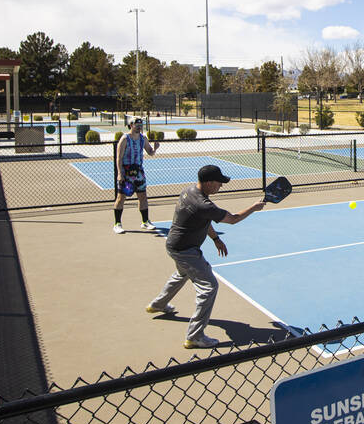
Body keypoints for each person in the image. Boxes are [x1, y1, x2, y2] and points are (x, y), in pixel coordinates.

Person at [147, 164, 267, 350]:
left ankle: (158, 304)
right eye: (219, 182)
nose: (221, 185)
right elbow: (233, 219)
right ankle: (194, 336)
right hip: (186, 250)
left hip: (174, 245)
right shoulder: (204, 204)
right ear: (209, 183)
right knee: (209, 287)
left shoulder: (189, 191)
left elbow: (203, 220)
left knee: (182, 274)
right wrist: (254, 207)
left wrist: (215, 238)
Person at [113, 117, 160, 234]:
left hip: (139, 173)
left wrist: (155, 149)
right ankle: (117, 224)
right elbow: (118, 158)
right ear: (131, 125)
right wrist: (120, 173)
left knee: (143, 197)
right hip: (126, 173)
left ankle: (145, 221)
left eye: (141, 124)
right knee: (121, 198)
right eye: (137, 124)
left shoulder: (143, 138)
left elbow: (150, 153)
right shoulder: (124, 139)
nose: (139, 126)